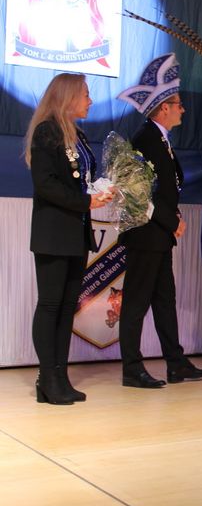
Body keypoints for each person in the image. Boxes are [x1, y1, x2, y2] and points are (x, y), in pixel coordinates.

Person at [116, 53, 202, 387]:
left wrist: (174, 217)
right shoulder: (145, 139)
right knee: (137, 301)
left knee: (164, 300)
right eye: (178, 104)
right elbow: (139, 192)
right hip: (146, 234)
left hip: (159, 235)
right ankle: (132, 368)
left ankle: (175, 362)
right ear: (163, 108)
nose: (183, 109)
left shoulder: (160, 140)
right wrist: (171, 222)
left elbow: (165, 188)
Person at [25, 73, 112, 404]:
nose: (90, 101)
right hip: (53, 231)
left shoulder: (79, 135)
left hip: (76, 231)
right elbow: (46, 184)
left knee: (66, 307)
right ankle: (47, 377)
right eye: (86, 95)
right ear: (68, 96)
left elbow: (81, 181)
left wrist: (102, 191)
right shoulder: (47, 131)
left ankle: (59, 376)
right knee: (50, 304)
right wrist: (85, 201)